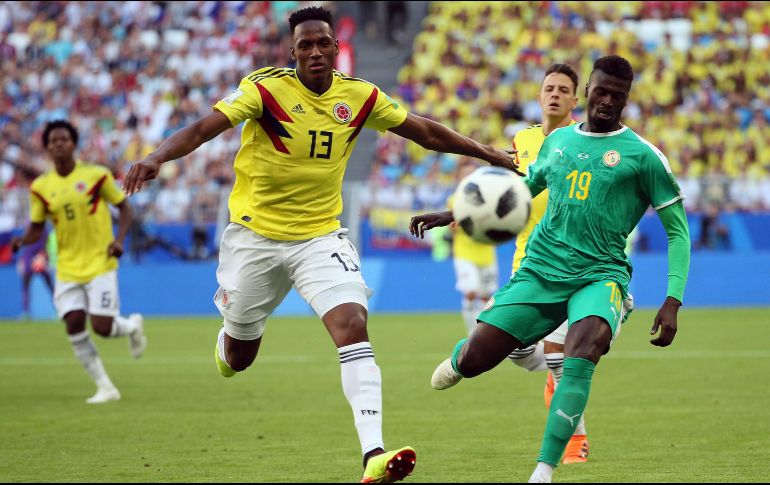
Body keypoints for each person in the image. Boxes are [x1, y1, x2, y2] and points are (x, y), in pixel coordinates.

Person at [122, 6, 518, 483]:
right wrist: (157, 156)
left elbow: (427, 131)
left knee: (353, 325)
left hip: (319, 237)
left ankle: (373, 453)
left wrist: (490, 152)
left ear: (335, 47)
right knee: (239, 358)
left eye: (322, 43)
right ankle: (228, 340)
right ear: (292, 52)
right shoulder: (264, 89)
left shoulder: (360, 97)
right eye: (304, 45)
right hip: (254, 238)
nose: (314, 51)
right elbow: (206, 128)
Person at [410, 56, 690, 483]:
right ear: (587, 93)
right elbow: (517, 192)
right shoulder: (557, 145)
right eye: (601, 91)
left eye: (618, 95)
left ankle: (544, 470)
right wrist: (455, 214)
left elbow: (679, 233)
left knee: (580, 354)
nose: (608, 101)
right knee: (477, 358)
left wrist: (672, 300)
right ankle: (460, 360)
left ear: (627, 99)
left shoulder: (644, 157)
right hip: (540, 272)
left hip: (601, 276)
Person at [12, 120, 146, 404]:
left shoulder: (96, 176)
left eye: (64, 139)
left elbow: (124, 208)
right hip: (67, 265)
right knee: (73, 322)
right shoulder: (41, 187)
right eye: (52, 141)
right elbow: (36, 226)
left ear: (73, 144)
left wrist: (119, 239)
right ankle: (105, 387)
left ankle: (132, 326)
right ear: (47, 147)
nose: (58, 144)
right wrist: (21, 241)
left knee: (102, 327)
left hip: (100, 260)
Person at [448, 158, 499, 335]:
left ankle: (484, 333)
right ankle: (472, 334)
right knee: (470, 292)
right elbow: (453, 229)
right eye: (465, 175)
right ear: (460, 178)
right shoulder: (454, 200)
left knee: (487, 297)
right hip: (465, 253)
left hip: (486, 253)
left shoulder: (489, 200)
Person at [16, 223, 55, 320]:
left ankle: (58, 310)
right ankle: (25, 312)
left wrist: (44, 256)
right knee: (26, 286)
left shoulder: (43, 229)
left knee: (50, 286)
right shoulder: (30, 226)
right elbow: (25, 246)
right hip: (29, 259)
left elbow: (46, 244)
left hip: (40, 259)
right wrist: (22, 260)